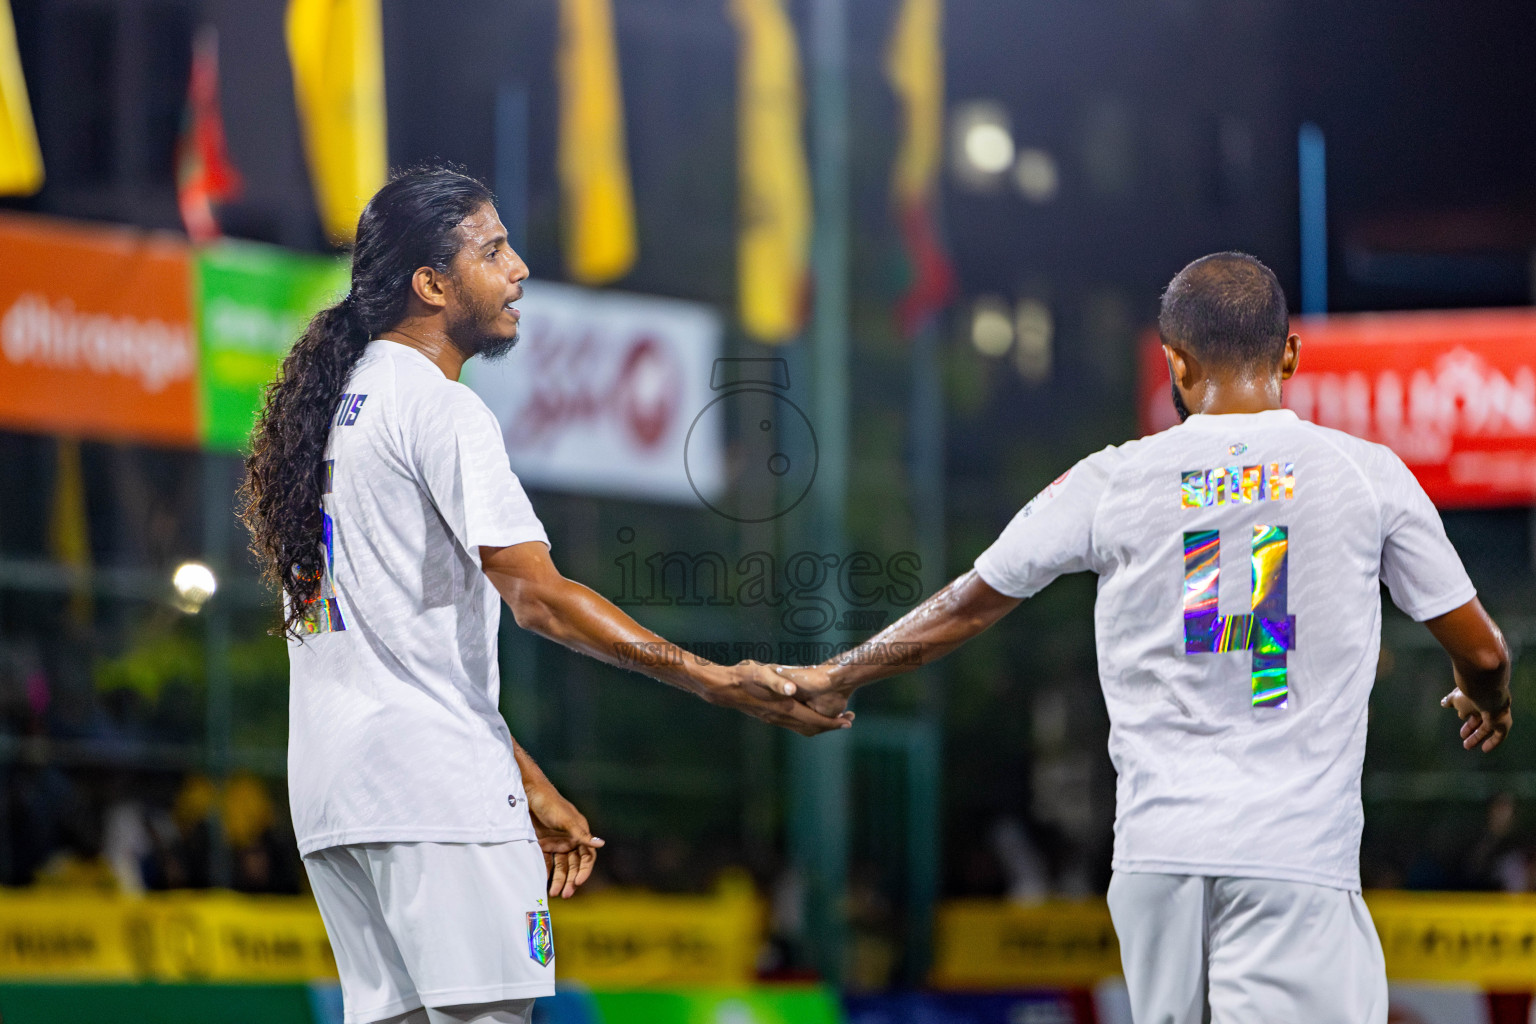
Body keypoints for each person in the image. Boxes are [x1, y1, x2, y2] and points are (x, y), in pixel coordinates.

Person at [775, 252, 1513, 1024]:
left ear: (1176, 362)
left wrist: (838, 675)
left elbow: (968, 602)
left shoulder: (1112, 479)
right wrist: (1485, 697)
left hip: (1156, 860)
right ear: (1290, 353)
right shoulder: (1367, 474)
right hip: (1292, 859)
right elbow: (1485, 649)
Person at [242, 166, 850, 1024]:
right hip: (435, 798)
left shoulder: (335, 415)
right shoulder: (443, 412)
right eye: (493, 250)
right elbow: (538, 596)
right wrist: (711, 678)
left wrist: (520, 779)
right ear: (432, 284)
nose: (519, 267)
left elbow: (398, 652)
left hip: (340, 804)